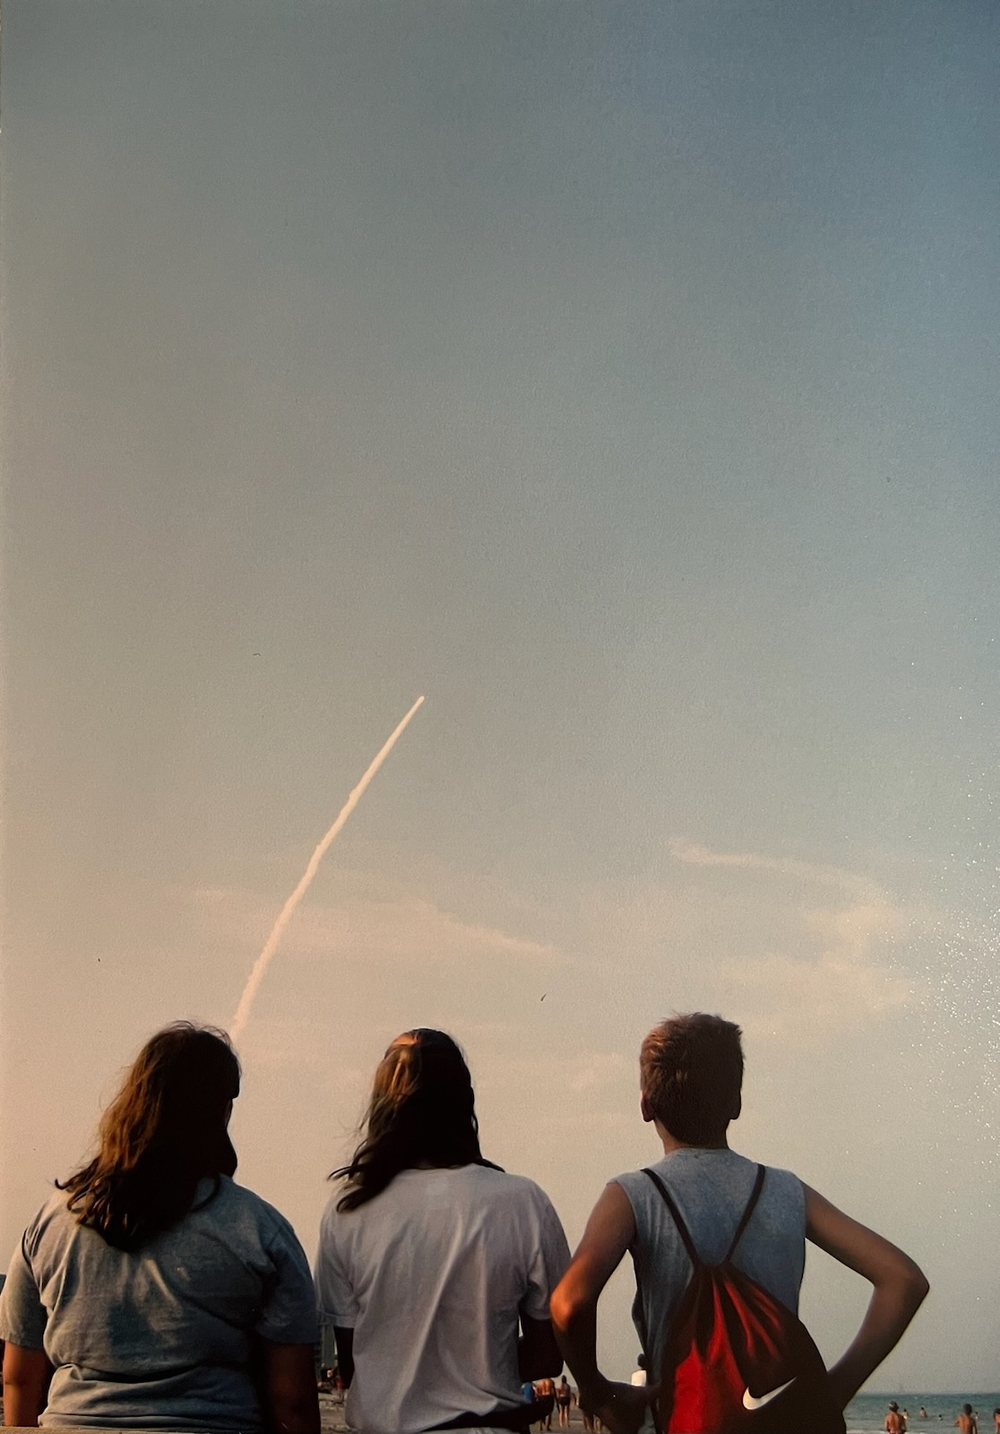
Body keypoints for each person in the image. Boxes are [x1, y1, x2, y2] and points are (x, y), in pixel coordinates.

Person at [550, 1013, 929, 1434]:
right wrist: (833, 1389)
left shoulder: (631, 1195)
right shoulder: (787, 1191)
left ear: (645, 1105)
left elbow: (569, 1303)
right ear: (736, 1103)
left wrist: (598, 1393)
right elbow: (904, 1281)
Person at [0, 1022, 319, 1433]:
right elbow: (292, 1401)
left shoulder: (52, 1222)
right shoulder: (260, 1230)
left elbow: (19, 1376)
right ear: (221, 1111)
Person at [314, 1029, 570, 1434]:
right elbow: (549, 1354)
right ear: (463, 1102)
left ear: (381, 1107)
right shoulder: (522, 1203)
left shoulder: (348, 1211)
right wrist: (477, 1372)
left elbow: (354, 1363)